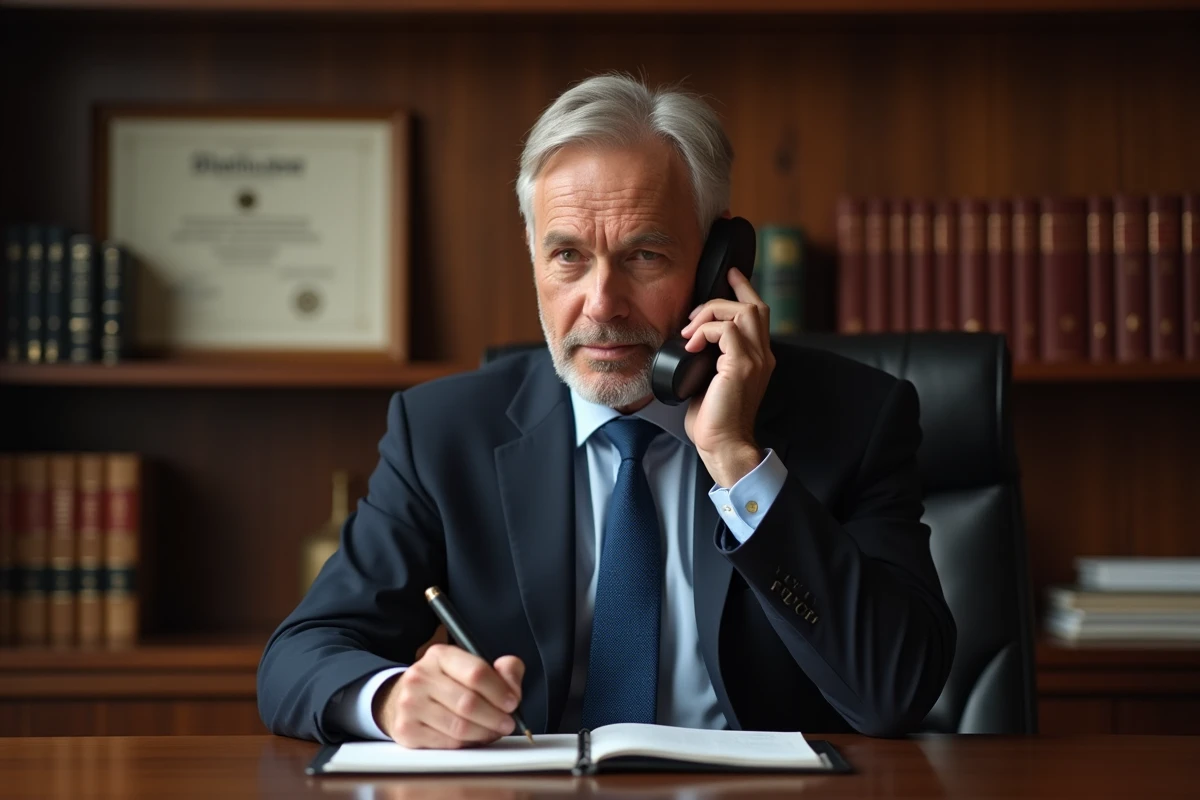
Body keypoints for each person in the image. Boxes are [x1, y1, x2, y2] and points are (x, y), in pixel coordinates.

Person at [256, 72, 956, 747]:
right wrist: (389, 698)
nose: (601, 304)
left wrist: (737, 462)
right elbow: (300, 657)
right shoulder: (443, 433)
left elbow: (893, 690)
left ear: (718, 261)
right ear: (532, 256)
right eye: (567, 256)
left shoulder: (856, 417)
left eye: (644, 255)